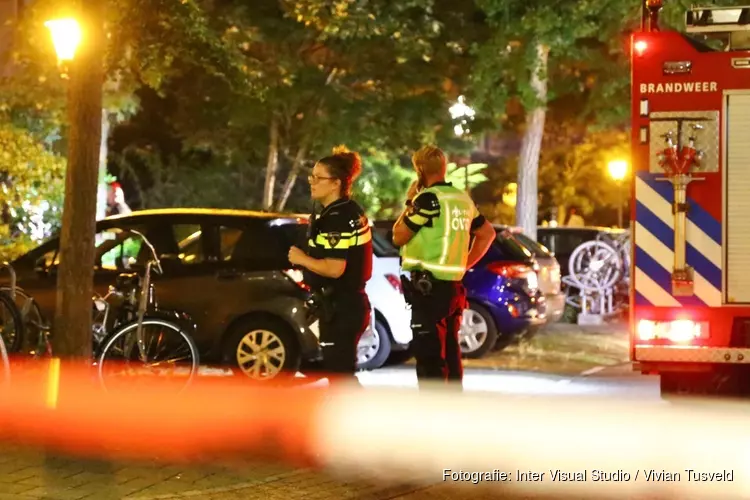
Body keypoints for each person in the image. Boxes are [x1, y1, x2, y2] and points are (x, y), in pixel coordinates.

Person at [391, 145, 495, 389]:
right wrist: (463, 263)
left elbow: (399, 235)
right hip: (453, 289)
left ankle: (433, 417)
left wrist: (409, 201)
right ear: (444, 167)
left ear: (419, 170)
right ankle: (452, 411)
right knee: (450, 356)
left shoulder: (427, 199)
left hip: (429, 292)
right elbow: (487, 234)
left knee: (430, 361)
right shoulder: (461, 198)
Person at [288, 147, 373, 387]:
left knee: (340, 376)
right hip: (339, 306)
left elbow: (335, 268)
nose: (312, 182)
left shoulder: (338, 218)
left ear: (335, 183)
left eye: (318, 178)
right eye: (311, 177)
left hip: (342, 307)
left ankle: (352, 420)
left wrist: (301, 258)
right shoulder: (341, 211)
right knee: (338, 373)